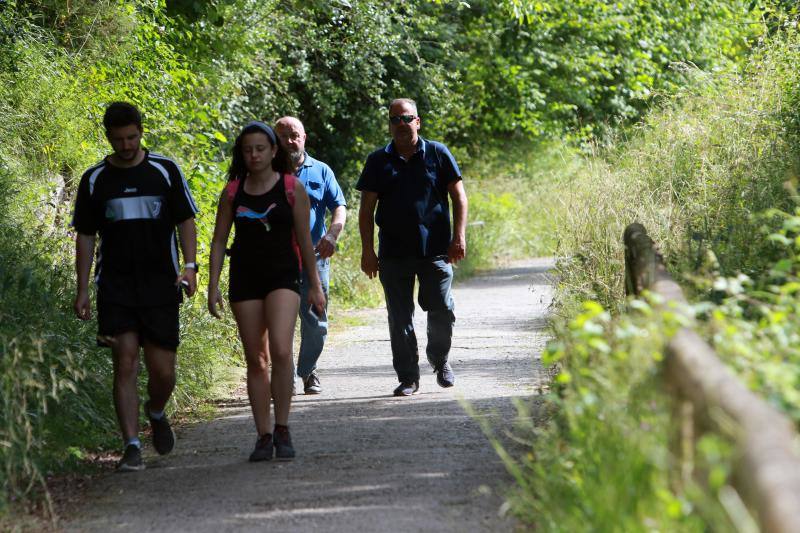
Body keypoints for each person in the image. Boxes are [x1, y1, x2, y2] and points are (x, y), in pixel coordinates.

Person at [72, 102, 199, 472]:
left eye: (131, 137)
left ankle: (156, 411)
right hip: (116, 287)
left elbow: (186, 220)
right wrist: (82, 288)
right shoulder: (95, 179)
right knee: (124, 362)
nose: (126, 146)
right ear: (107, 137)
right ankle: (131, 445)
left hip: (161, 283)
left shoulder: (165, 170)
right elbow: (85, 235)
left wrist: (190, 268)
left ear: (141, 132)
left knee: (163, 371)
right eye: (118, 140)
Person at [207, 121, 325, 461]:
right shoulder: (233, 191)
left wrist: (315, 286)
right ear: (241, 154)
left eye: (260, 148)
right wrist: (213, 286)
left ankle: (283, 427)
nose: (254, 155)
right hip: (245, 278)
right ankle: (263, 434)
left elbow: (305, 240)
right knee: (256, 360)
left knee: (282, 351)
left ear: (274, 150)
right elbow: (218, 242)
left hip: (284, 276)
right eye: (247, 150)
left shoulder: (291, 187)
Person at [357, 98, 468, 396]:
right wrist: (368, 251)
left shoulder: (438, 153)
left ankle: (439, 358)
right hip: (394, 253)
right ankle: (408, 377)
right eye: (395, 119)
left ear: (418, 121)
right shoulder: (378, 161)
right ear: (390, 124)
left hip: (435, 250)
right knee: (400, 317)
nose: (401, 125)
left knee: (442, 308)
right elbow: (366, 210)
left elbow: (459, 197)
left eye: (407, 118)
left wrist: (459, 236)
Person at [274, 116, 347, 395]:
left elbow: (339, 206)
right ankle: (287, 376)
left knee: (315, 321)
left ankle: (307, 371)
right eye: (283, 136)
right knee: (279, 321)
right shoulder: (265, 171)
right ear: (274, 140)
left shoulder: (321, 170)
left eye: (295, 135)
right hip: (276, 259)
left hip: (314, 259)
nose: (290, 141)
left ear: (304, 137)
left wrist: (331, 235)